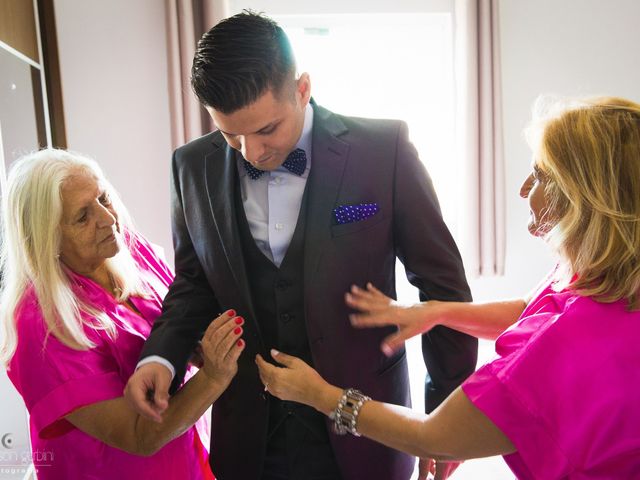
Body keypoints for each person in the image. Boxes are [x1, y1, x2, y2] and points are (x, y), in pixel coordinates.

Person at [124, 10, 477, 480]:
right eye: (232, 135)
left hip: (369, 430)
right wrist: (161, 356)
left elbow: (443, 287)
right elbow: (193, 282)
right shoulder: (190, 167)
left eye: (267, 129)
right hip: (248, 440)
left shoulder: (382, 150)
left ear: (303, 88)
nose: (252, 152)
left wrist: (444, 417)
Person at [256, 96, 640, 479]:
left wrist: (319, 394)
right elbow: (529, 312)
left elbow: (433, 436)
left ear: (582, 197)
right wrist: (437, 312)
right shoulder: (605, 277)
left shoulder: (565, 340)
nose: (524, 189)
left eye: (540, 175)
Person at [0, 149, 247, 479]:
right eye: (82, 217)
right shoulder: (39, 323)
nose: (107, 219)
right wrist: (214, 376)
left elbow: (175, 321)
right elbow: (137, 436)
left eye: (103, 197)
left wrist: (195, 346)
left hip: (189, 461)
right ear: (47, 239)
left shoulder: (126, 248)